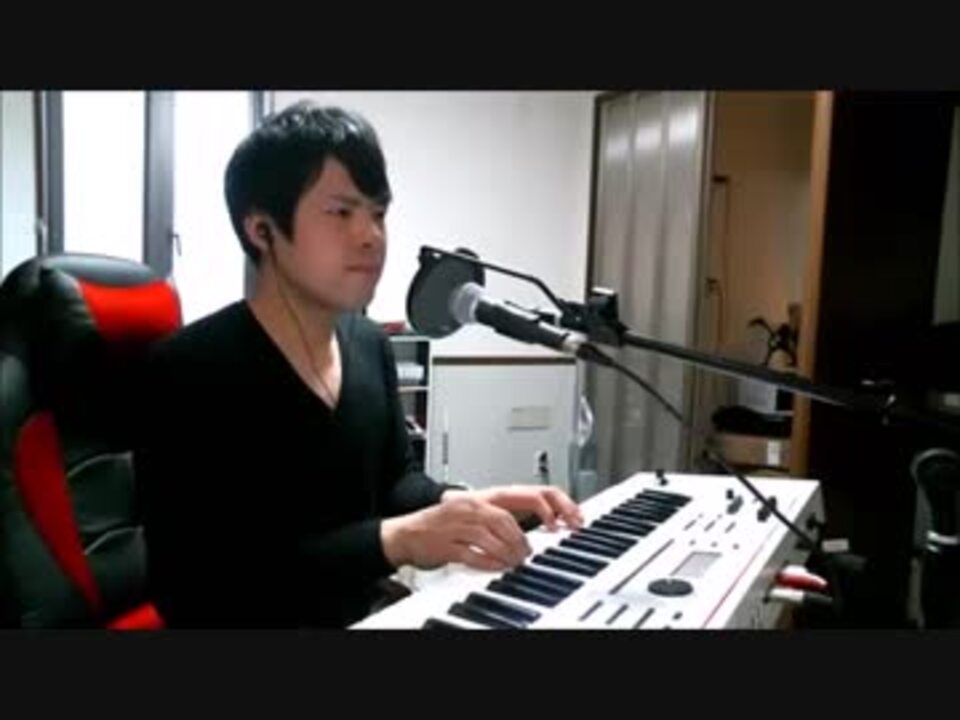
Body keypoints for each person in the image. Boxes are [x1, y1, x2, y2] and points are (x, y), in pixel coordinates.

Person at [134, 101, 583, 628]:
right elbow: (196, 585)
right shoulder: (187, 371)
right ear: (262, 229)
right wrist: (396, 540)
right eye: (342, 212)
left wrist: (472, 502)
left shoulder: (368, 343)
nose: (371, 236)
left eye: (378, 213)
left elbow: (395, 484)